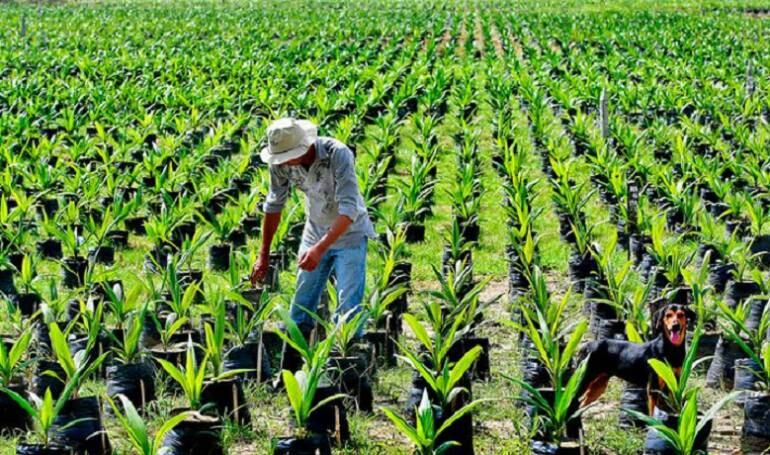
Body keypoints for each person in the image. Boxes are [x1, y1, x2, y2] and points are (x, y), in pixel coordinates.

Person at [250, 117, 375, 346]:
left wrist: (320, 249)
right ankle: (297, 356)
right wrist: (263, 254)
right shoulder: (280, 163)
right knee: (301, 302)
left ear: (304, 146)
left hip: (350, 233)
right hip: (315, 228)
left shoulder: (337, 154)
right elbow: (274, 204)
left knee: (348, 309)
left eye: (288, 156)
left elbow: (349, 209)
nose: (283, 162)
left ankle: (344, 357)